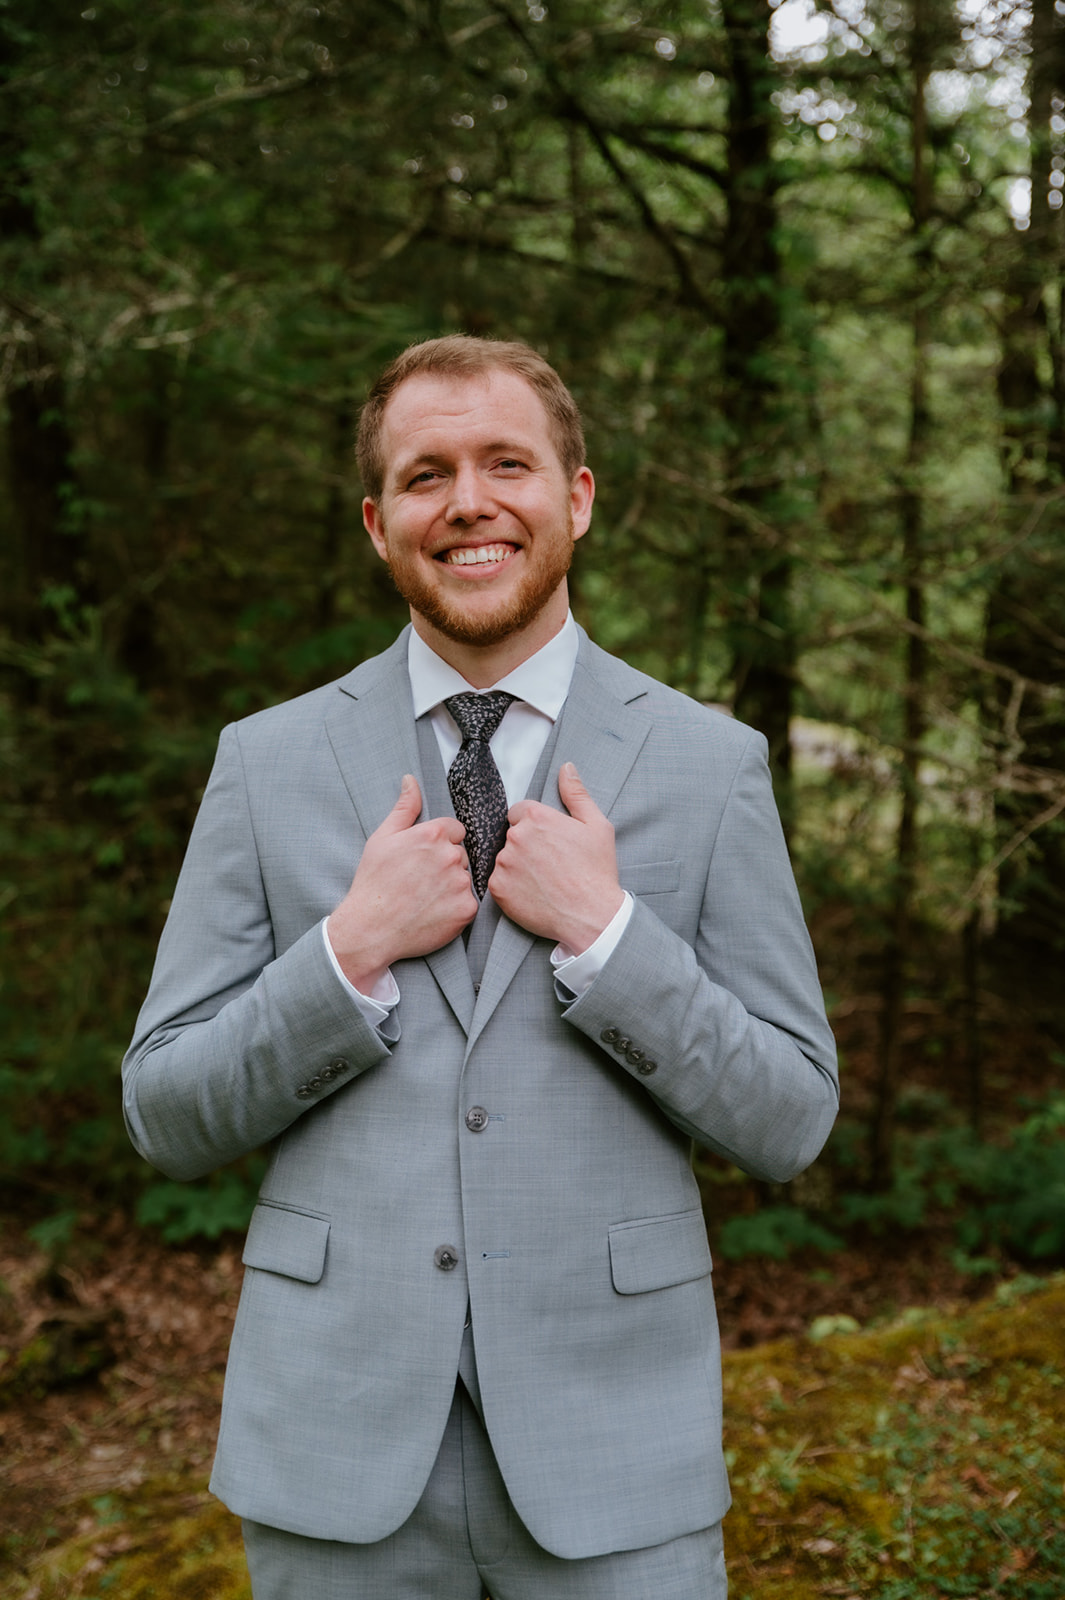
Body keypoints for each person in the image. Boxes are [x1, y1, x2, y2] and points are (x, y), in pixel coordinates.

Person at [122, 334, 838, 1600]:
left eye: (507, 462)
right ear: (376, 521)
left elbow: (789, 1119)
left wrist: (611, 940)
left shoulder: (712, 764)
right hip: (334, 1459)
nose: (468, 502)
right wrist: (346, 955)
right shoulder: (266, 762)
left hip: (618, 1461)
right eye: (426, 473)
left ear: (577, 495)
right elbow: (167, 1111)